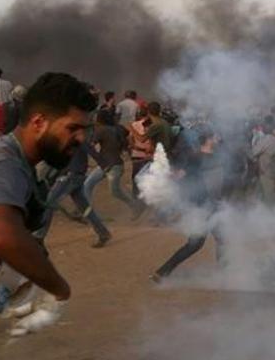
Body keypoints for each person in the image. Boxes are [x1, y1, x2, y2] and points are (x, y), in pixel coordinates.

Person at [0, 72, 96, 360]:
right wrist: (59, 288)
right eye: (73, 128)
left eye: (85, 129)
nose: (82, 139)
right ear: (39, 122)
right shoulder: (5, 164)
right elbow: (3, 235)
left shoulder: (10, 158)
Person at [151, 131, 226, 282]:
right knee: (196, 244)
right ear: (208, 140)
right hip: (202, 205)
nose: (218, 139)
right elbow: (181, 175)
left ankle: (224, 271)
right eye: (214, 137)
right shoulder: (196, 157)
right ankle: (162, 271)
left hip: (210, 205)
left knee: (221, 237)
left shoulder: (214, 157)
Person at [44, 144, 112, 247]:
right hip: (75, 175)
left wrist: (104, 165)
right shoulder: (69, 137)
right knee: (85, 208)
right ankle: (103, 233)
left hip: (71, 175)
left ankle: (38, 237)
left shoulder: (74, 137)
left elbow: (91, 150)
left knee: (49, 203)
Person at [83, 109, 146, 220]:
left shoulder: (101, 130)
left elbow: (91, 145)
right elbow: (127, 138)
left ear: (99, 119)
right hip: (114, 164)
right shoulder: (118, 128)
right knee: (112, 190)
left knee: (91, 186)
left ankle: (135, 205)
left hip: (108, 165)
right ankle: (88, 213)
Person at [251, 118, 275, 204]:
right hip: (274, 173)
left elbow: (253, 153)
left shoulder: (264, 141)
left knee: (267, 199)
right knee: (270, 195)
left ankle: (270, 215)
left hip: (264, 173)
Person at [127, 108, 154, 199]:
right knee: (148, 179)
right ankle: (148, 199)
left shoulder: (134, 124)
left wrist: (134, 147)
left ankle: (136, 200)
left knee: (135, 179)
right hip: (148, 156)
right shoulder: (152, 125)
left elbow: (130, 138)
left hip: (136, 155)